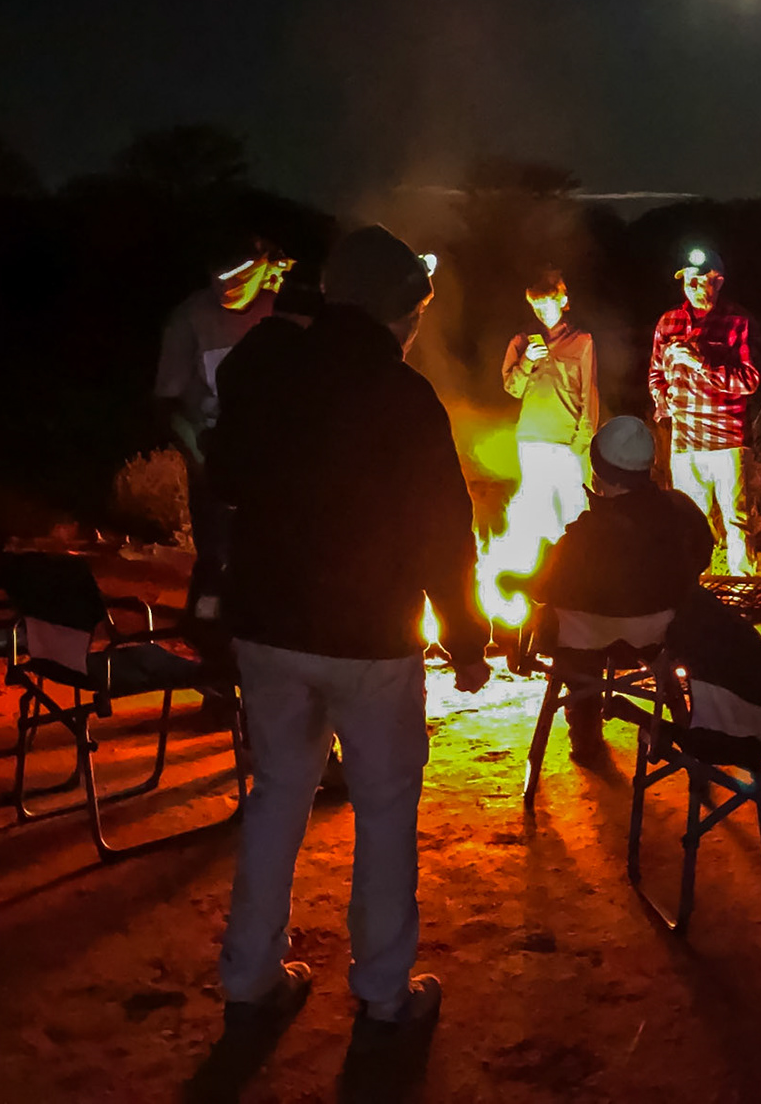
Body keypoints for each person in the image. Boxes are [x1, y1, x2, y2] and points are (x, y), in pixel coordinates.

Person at [204, 224, 491, 1048]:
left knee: (278, 797)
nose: (416, 329)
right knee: (385, 807)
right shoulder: (404, 399)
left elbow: (221, 476)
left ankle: (250, 979)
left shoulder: (261, 365)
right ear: (398, 311)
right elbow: (445, 534)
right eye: (415, 313)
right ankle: (383, 993)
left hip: (268, 628)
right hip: (370, 640)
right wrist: (468, 642)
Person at [528, 415, 714, 759]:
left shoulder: (584, 535)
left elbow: (543, 588)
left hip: (592, 646)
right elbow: (703, 553)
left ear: (598, 472)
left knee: (568, 637)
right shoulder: (681, 512)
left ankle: (585, 736)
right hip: (661, 640)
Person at [153, 233, 292, 623]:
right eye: (219, 275)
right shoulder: (190, 319)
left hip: (274, 464)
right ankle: (208, 642)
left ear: (263, 266)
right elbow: (167, 403)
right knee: (218, 559)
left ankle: (259, 648)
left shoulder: (281, 310)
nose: (226, 283)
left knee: (273, 561)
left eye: (238, 272)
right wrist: (199, 454)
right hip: (214, 457)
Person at [647, 248, 760, 576]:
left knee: (737, 521)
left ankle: (744, 596)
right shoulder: (668, 322)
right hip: (685, 442)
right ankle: (693, 593)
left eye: (704, 281)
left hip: (727, 439)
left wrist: (701, 363)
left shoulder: (738, 321)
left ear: (719, 283)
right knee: (687, 522)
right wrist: (661, 400)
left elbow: (749, 379)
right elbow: (656, 372)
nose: (697, 288)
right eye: (690, 281)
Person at [500, 267, 599, 543]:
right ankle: (546, 578)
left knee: (575, 514)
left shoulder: (582, 341)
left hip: (568, 442)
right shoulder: (521, 341)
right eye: (536, 305)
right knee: (540, 514)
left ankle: (577, 574)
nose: (542, 310)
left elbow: (589, 394)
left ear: (562, 302)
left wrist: (583, 441)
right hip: (531, 440)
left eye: (547, 302)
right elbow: (512, 389)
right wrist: (527, 361)